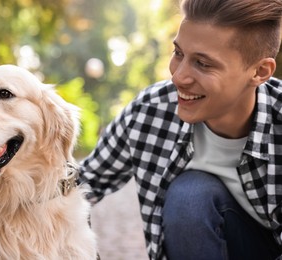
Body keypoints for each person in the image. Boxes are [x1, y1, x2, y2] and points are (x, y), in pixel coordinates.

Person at [79, 0, 282, 259]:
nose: (178, 76)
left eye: (204, 64)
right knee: (191, 196)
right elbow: (77, 186)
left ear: (259, 71)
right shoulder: (150, 111)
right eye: (178, 53)